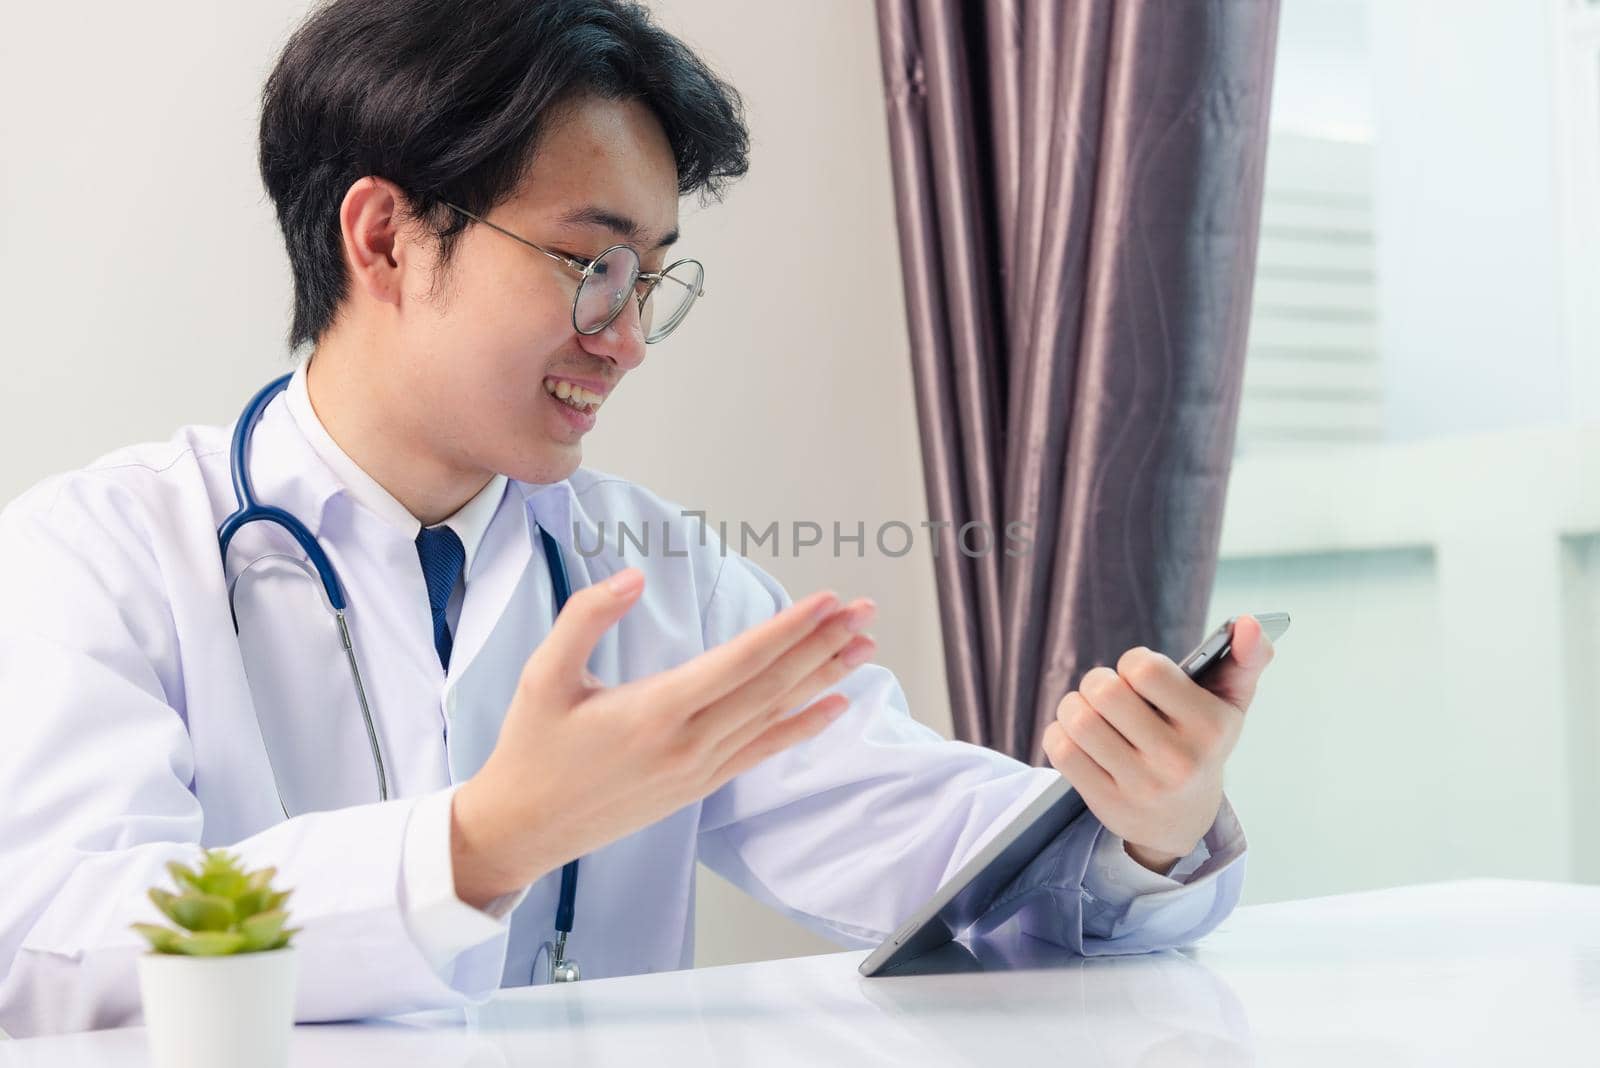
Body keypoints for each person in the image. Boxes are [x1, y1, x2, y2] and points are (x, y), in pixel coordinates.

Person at [0, 0, 1274, 1037]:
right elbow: (50, 943)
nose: (626, 339)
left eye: (652, 278)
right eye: (591, 262)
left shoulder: (654, 570)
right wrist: (476, 847)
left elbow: (938, 862)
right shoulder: (100, 555)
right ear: (385, 237)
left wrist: (1138, 832)